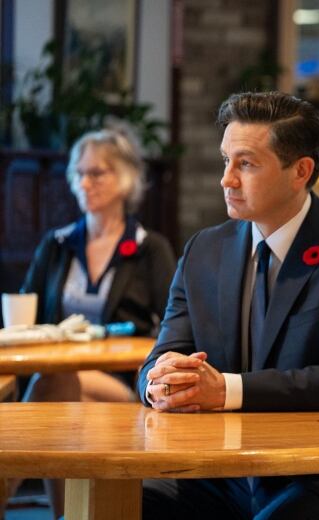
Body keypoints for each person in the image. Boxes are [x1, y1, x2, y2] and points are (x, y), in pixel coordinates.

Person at [138, 91, 319, 520]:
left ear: (300, 171)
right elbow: (159, 359)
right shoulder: (205, 249)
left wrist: (224, 390)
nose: (227, 179)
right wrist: (159, 383)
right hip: (210, 473)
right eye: (226, 161)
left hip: (314, 472)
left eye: (246, 164)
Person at [18, 127, 176, 518]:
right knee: (62, 401)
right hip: (62, 378)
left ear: (124, 180)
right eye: (78, 173)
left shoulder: (148, 248)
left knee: (52, 386)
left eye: (96, 173)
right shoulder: (57, 245)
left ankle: (13, 487)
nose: (84, 182)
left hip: (124, 381)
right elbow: (27, 312)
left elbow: (173, 322)